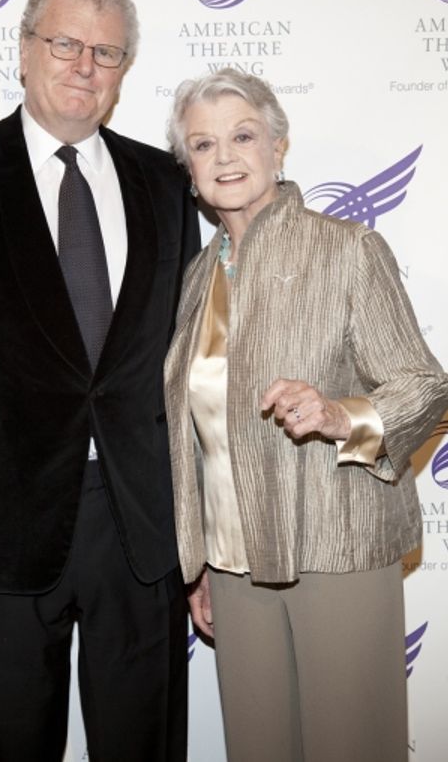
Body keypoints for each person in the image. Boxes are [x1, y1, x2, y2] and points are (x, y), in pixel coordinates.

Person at [0, 0, 200, 762]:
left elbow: (190, 358)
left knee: (145, 741)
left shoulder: (164, 182)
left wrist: (204, 522)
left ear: (124, 68)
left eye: (106, 51)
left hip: (141, 516)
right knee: (14, 740)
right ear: (23, 51)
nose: (84, 66)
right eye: (65, 44)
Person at [163, 67, 448, 762]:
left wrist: (342, 414)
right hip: (234, 568)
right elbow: (196, 437)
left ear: (279, 147)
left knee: (351, 746)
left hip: (336, 547)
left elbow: (424, 385)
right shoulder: (195, 278)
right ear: (188, 167)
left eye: (243, 135)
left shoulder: (346, 249)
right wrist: (197, 562)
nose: (224, 157)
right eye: (202, 145)